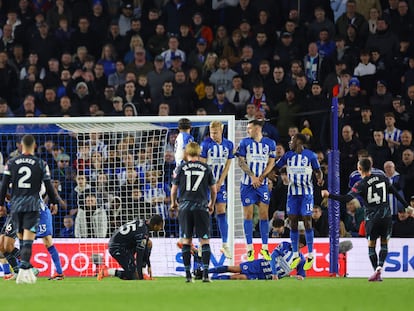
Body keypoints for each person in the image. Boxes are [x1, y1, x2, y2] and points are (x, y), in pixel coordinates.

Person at [321, 158, 414, 281]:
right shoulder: (383, 178)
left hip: (371, 218)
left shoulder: (360, 184)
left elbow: (347, 198)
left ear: (359, 169)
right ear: (371, 166)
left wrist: (329, 195)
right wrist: (407, 206)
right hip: (386, 216)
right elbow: (395, 192)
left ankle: (376, 270)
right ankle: (380, 267)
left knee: (371, 245)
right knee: (384, 243)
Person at [0, 135, 58, 284]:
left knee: (19, 238)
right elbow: (48, 185)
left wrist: (1, 204)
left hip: (17, 206)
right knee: (27, 241)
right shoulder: (40, 163)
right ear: (34, 146)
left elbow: (4, 185)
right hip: (32, 206)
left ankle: (23, 272)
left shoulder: (11, 162)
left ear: (21, 146)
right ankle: (26, 271)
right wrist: (54, 202)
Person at [274, 133, 324, 271]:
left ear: (299, 142)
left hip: (306, 193)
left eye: (293, 140)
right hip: (292, 194)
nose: (290, 142)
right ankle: (296, 254)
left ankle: (310, 254)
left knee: (307, 220)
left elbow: (318, 171)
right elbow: (276, 167)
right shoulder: (288, 156)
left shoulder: (310, 155)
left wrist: (320, 178)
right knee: (293, 222)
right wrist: (270, 174)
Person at [170, 142, 217, 283]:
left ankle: (188, 276)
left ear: (187, 153)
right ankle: (205, 275)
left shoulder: (181, 168)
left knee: (186, 240)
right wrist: (212, 204)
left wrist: (174, 203)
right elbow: (214, 190)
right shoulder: (206, 168)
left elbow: (173, 190)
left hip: (185, 207)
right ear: (198, 152)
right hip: (201, 207)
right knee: (204, 241)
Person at [236, 119, 276, 261]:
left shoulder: (270, 143)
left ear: (257, 129)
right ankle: (249, 249)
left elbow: (272, 162)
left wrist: (262, 177)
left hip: (262, 184)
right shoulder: (244, 143)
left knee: (264, 215)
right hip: (247, 184)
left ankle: (265, 248)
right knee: (248, 216)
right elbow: (241, 161)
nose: (247, 130)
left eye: (249, 128)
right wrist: (253, 177)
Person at [200, 121, 234, 259]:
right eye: (211, 132)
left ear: (222, 130)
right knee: (205, 213)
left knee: (221, 211)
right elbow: (202, 165)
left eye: (216, 132)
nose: (213, 135)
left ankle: (225, 245)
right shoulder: (205, 144)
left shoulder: (229, 145)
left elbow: (227, 165)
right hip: (206, 185)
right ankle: (203, 245)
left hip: (220, 184)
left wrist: (220, 181)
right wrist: (211, 183)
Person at [204, 235, 307, 281]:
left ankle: (212, 278)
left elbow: (301, 275)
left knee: (238, 278)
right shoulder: (285, 245)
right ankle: (205, 272)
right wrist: (275, 274)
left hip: (266, 276)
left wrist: (299, 277)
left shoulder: (301, 260)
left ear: (301, 245)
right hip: (260, 265)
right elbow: (273, 256)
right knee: (234, 268)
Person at [97, 215, 164, 281]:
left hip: (125, 245)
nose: (161, 228)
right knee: (133, 275)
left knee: (148, 243)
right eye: (160, 226)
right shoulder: (142, 233)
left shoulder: (143, 223)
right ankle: (107, 271)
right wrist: (140, 277)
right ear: (155, 225)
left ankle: (143, 274)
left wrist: (149, 265)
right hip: (117, 247)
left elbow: (145, 248)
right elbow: (139, 255)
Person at [37, 183, 64, 280]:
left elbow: (44, 188)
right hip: (25, 213)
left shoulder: (35, 178)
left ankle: (59, 272)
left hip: (40, 214)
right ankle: (22, 269)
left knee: (48, 242)